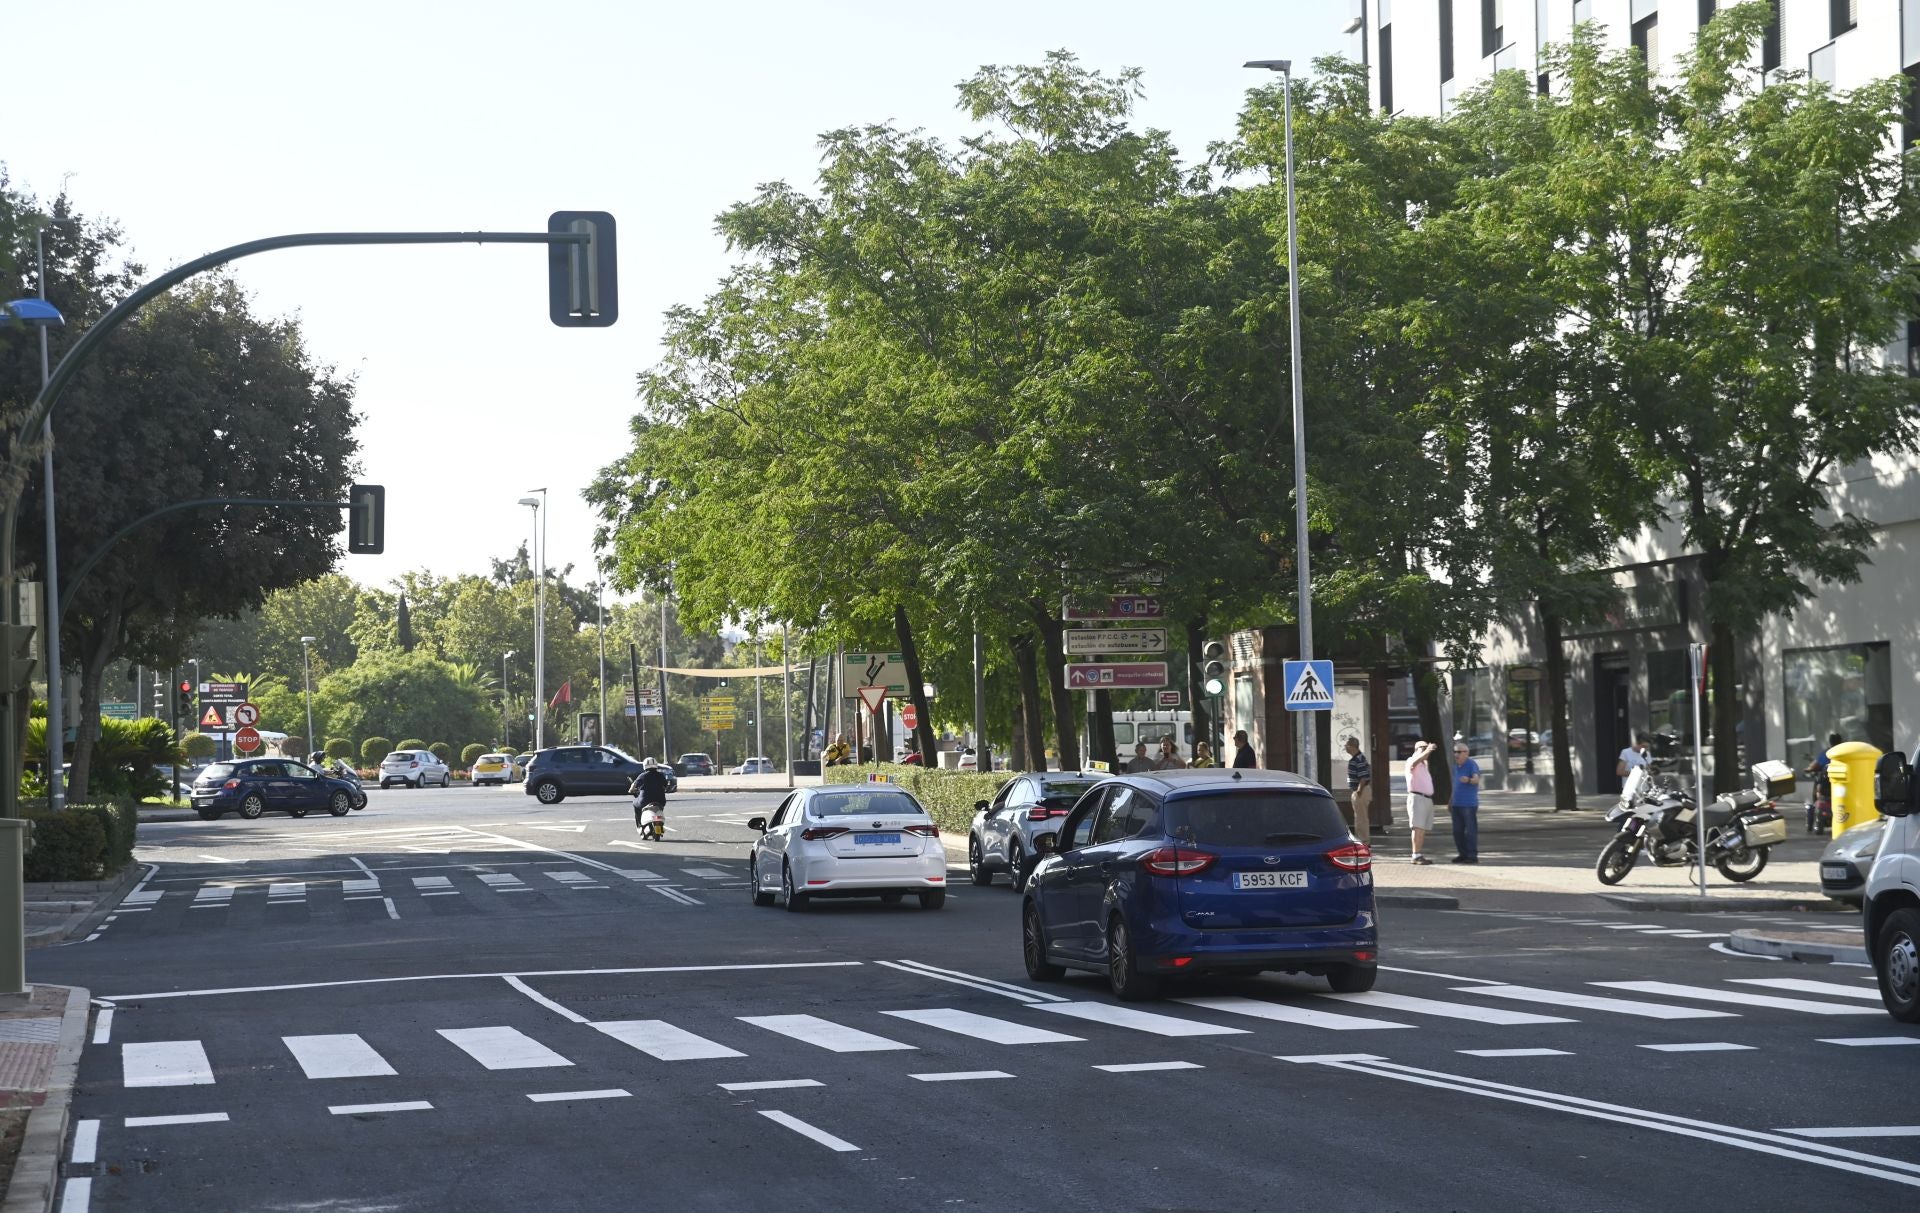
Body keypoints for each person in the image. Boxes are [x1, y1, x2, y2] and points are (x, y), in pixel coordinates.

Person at [1406, 739, 1438, 864]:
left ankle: (1418, 853)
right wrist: (1428, 749)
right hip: (1417, 798)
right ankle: (1415, 855)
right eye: (1422, 747)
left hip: (1426, 798)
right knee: (1417, 828)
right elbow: (1416, 760)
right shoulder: (1412, 760)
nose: (1425, 749)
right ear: (1416, 749)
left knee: (1422, 829)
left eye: (1426, 747)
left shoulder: (1424, 764)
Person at [1450, 741, 1480, 863]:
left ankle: (1472, 856)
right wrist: (1450, 800)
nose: (1456, 755)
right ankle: (1462, 854)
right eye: (1455, 752)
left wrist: (1468, 780)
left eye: (1459, 752)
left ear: (1466, 753)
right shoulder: (1456, 767)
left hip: (1468, 804)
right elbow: (1455, 785)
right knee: (1457, 831)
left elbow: (1476, 780)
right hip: (1456, 803)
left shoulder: (1471, 764)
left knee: (1470, 830)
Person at [1806, 732, 1842, 833]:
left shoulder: (1827, 753)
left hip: (1826, 786)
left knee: (1817, 797)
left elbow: (1815, 765)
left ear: (1830, 742)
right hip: (1842, 786)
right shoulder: (1845, 752)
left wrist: (1808, 769)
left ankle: (1810, 824)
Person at [631, 757, 670, 830]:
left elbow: (634, 785)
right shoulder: (661, 775)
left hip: (645, 801)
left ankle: (640, 824)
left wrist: (631, 790)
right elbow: (665, 785)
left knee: (635, 804)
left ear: (644, 766)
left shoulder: (643, 775)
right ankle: (658, 817)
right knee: (660, 807)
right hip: (661, 801)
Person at [1344, 736, 1373, 836]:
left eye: (1346, 745)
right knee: (1360, 817)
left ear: (1352, 746)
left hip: (1361, 791)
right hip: (1360, 790)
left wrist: (1359, 792)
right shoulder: (1358, 758)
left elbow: (1363, 777)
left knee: (1361, 818)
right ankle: (1362, 839)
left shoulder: (1358, 759)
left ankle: (1364, 841)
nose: (1345, 747)